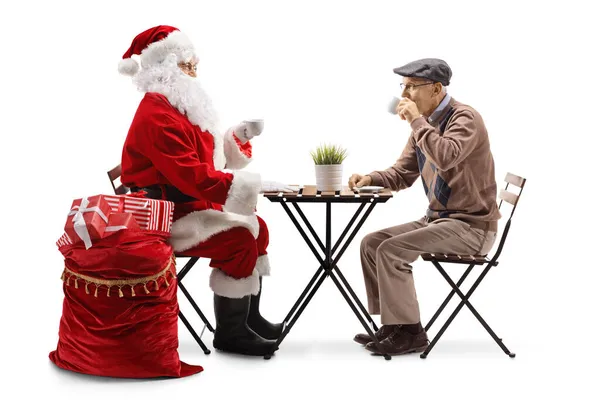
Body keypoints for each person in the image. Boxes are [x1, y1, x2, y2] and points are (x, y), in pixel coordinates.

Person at [117, 25, 294, 357]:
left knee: (259, 230)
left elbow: (205, 156)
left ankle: (248, 318)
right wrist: (251, 184)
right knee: (239, 238)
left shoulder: (178, 108)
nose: (194, 73)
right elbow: (192, 176)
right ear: (164, 69)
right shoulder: (156, 114)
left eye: (194, 65)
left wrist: (238, 135)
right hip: (160, 218)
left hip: (182, 205)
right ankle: (230, 333)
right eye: (187, 66)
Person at [348, 58, 501, 356]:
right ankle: (395, 327)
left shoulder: (464, 118)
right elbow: (402, 173)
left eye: (410, 88)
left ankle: (413, 333)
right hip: (439, 220)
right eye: (402, 87)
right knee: (372, 243)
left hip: (471, 227)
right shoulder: (425, 126)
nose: (404, 96)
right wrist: (370, 178)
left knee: (390, 251)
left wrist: (417, 122)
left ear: (436, 89)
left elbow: (446, 156)